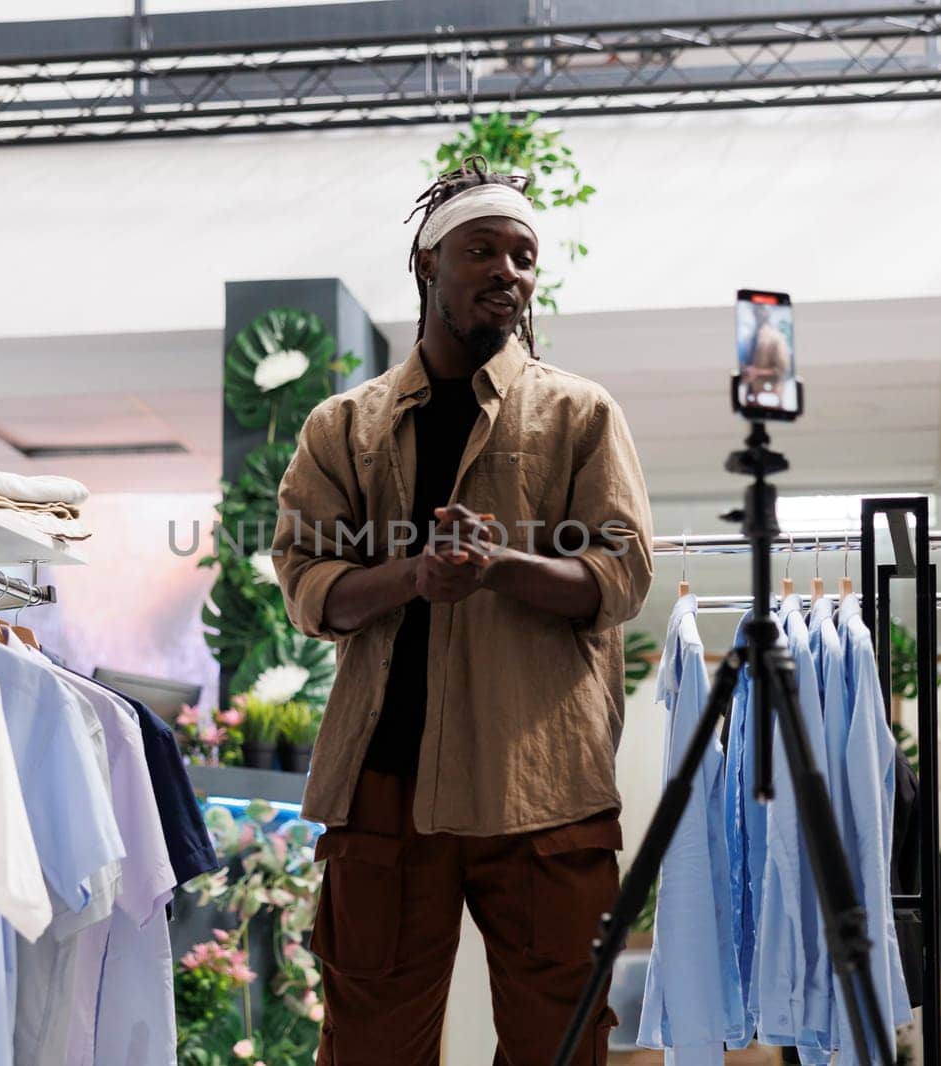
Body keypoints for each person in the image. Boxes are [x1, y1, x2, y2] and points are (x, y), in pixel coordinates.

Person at [271, 157, 654, 1065]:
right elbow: (305, 581)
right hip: (384, 791)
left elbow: (623, 572)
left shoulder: (579, 414)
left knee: (559, 1040)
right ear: (426, 264)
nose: (508, 273)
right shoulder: (344, 427)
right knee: (370, 1042)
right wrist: (415, 577)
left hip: (543, 790)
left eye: (524, 257)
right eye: (483, 250)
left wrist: (497, 567)